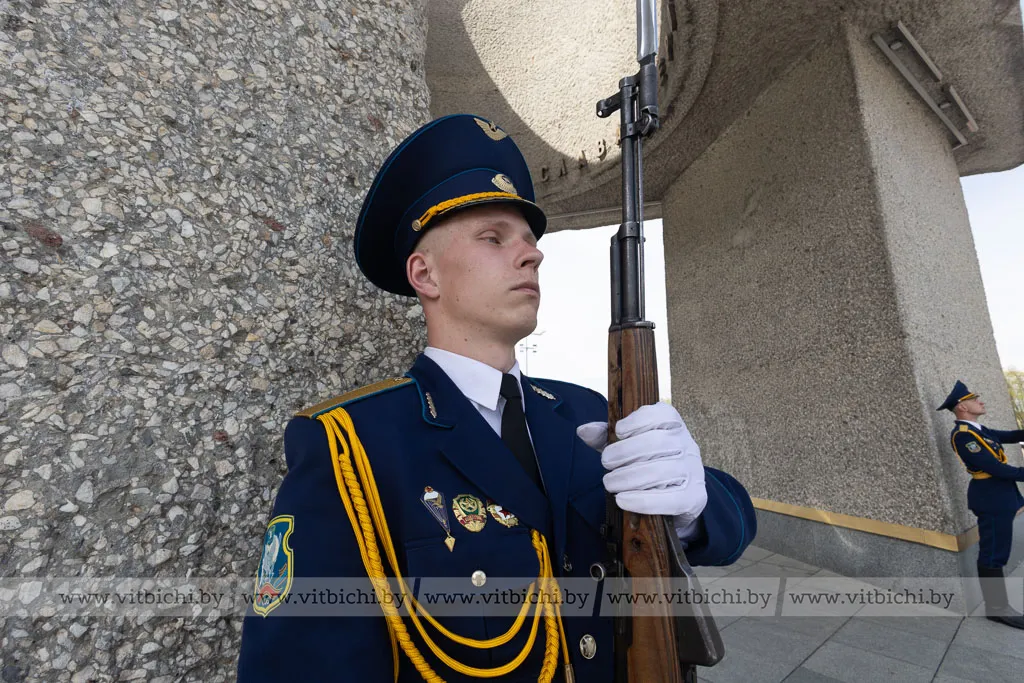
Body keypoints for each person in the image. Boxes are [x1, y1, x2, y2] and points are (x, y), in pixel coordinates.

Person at [237, 114, 756, 681]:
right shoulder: (353, 446)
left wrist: (693, 507)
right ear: (424, 274)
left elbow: (734, 528)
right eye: (493, 237)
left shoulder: (584, 412)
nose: (532, 255)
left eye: (532, 242)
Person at [939, 380, 1024, 630]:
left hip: (1000, 495)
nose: (981, 401)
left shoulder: (979, 429)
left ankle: (997, 604)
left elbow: (1009, 436)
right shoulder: (964, 436)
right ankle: (996, 607)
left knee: (999, 549)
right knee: (993, 551)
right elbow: (994, 467)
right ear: (962, 407)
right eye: (975, 399)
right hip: (990, 497)